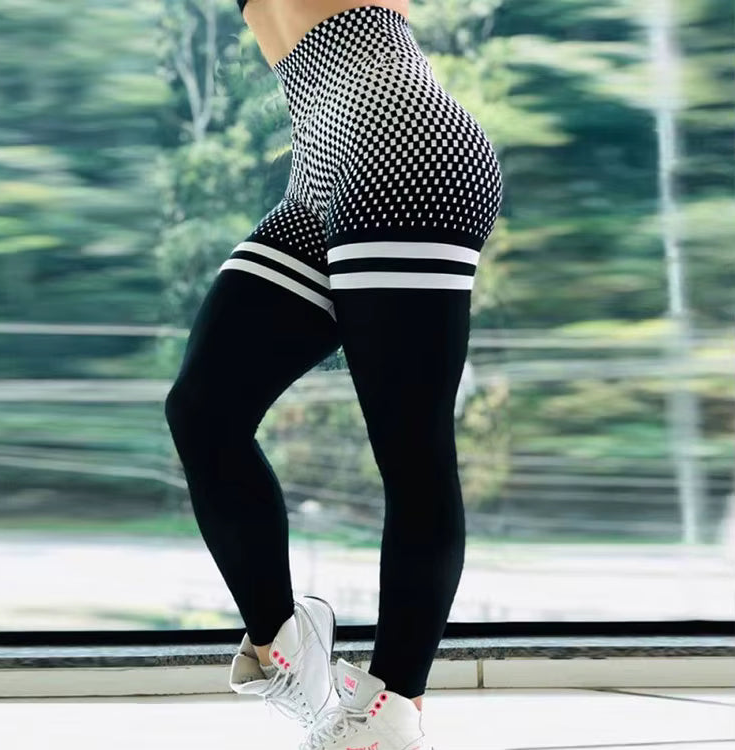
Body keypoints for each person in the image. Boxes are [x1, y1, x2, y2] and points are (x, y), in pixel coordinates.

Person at [164, 1, 503, 748]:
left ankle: (392, 713)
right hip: (317, 168)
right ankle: (284, 641)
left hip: (404, 147)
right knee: (203, 411)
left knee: (411, 450)